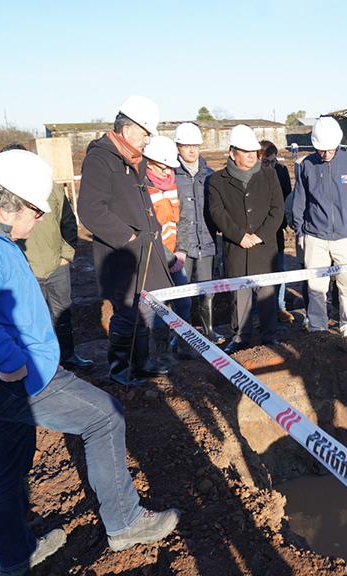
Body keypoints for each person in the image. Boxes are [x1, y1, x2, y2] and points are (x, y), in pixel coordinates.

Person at [0, 150, 179, 576]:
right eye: (36, 212)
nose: (40, 221)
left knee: (5, 468)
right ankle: (125, 523)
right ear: (8, 204)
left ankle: (16, 555)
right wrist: (10, 360)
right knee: (104, 417)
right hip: (10, 377)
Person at [77, 96, 172, 388]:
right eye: (145, 133)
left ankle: (141, 363)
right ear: (128, 129)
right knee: (125, 312)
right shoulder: (100, 159)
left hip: (144, 251)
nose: (148, 140)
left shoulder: (133, 160)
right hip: (121, 254)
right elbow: (90, 210)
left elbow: (143, 205)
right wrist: (128, 238)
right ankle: (120, 372)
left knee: (142, 309)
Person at [2, 143, 92, 371]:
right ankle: (45, 364)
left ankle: (69, 356)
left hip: (56, 266)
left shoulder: (50, 189)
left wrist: (65, 256)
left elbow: (68, 223)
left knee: (63, 312)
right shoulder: (2, 199)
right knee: (34, 319)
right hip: (26, 269)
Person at [291, 116, 347, 344]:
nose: (325, 154)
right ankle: (318, 331)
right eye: (320, 150)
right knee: (316, 288)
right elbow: (299, 201)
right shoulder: (307, 165)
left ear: (337, 143)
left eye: (329, 149)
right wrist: (300, 231)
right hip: (315, 237)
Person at [207, 125, 285, 354]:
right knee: (239, 297)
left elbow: (277, 210)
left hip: (264, 247)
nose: (252, 155)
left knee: (267, 296)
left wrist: (260, 235)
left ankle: (269, 336)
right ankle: (240, 337)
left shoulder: (270, 175)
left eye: (253, 151)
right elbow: (217, 212)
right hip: (237, 248)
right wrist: (239, 236)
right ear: (232, 153)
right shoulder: (217, 180)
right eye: (245, 151)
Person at [144, 135, 195, 369]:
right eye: (163, 168)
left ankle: (184, 345)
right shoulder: (142, 188)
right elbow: (147, 230)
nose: (167, 173)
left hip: (176, 257)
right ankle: (164, 355)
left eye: (169, 168)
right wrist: (168, 257)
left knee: (184, 303)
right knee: (159, 309)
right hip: (155, 260)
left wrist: (181, 251)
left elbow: (182, 220)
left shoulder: (172, 185)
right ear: (150, 163)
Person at [172, 122, 225, 345]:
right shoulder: (172, 175)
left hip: (206, 241)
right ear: (178, 148)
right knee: (181, 292)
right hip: (182, 245)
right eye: (187, 146)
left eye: (195, 145)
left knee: (208, 288)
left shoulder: (210, 175)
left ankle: (208, 330)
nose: (192, 150)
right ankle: (181, 337)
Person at [259, 140, 294, 323]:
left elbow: (287, 196)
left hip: (276, 229)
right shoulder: (254, 174)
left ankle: (280, 306)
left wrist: (283, 222)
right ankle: (257, 312)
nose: (270, 166)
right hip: (257, 231)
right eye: (266, 162)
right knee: (258, 272)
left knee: (280, 269)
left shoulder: (281, 171)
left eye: (273, 162)